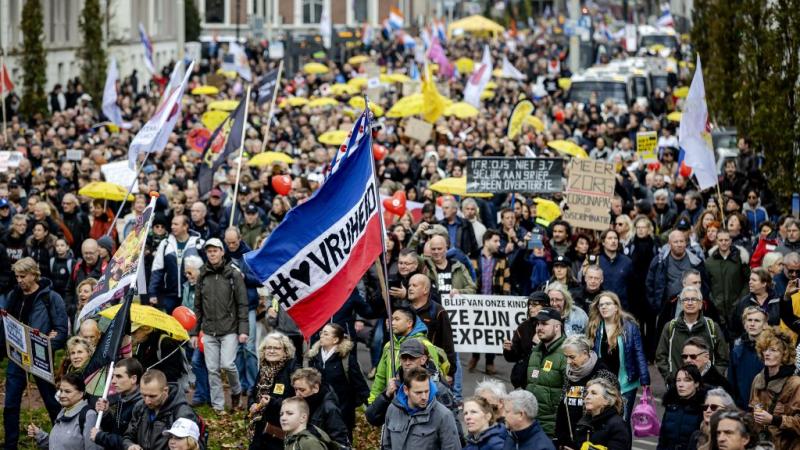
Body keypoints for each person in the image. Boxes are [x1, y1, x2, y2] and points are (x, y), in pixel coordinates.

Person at [2, 257, 69, 449]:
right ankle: (10, 444)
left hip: (41, 357)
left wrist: (49, 342)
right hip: (16, 356)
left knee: (52, 402)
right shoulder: (14, 295)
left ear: (34, 274)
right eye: (17, 276)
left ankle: (61, 441)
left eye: (23, 276)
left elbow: (61, 330)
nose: (19, 280)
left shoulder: (51, 297)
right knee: (11, 404)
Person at [191, 237, 248, 413]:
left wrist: (243, 330)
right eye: (209, 251)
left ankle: (236, 392)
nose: (212, 253)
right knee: (212, 369)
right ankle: (218, 406)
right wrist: (194, 333)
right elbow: (198, 306)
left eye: (215, 250)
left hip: (230, 329)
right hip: (208, 331)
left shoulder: (233, 274)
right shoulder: (202, 275)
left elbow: (242, 303)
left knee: (228, 365)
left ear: (222, 252)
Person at [364, 338, 459, 430]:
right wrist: (386, 396)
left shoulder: (438, 388)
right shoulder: (395, 385)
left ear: (423, 359)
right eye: (404, 358)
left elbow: (452, 427)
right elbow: (372, 418)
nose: (407, 363)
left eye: (412, 358)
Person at [586, 291, 651, 421]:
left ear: (616, 307)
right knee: (601, 420)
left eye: (608, 304)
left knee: (623, 421)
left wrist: (645, 379)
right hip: (602, 383)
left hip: (625, 384)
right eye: (601, 305)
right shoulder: (595, 327)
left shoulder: (629, 327)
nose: (604, 307)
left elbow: (639, 353)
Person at [368, 307, 445, 403]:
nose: (392, 323)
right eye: (391, 319)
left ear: (409, 323)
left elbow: (435, 377)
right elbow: (380, 378)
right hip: (393, 404)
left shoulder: (425, 345)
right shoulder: (389, 346)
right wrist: (372, 402)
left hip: (418, 405)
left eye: (397, 319)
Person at [555, 335, 619, 449]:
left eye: (572, 357)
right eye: (566, 357)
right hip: (567, 440)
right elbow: (563, 406)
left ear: (585, 353)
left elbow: (612, 411)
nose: (568, 362)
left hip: (591, 441)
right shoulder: (570, 373)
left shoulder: (603, 374)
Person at [306, 323, 369, 436]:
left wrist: (372, 407)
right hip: (318, 411)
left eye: (326, 334)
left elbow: (360, 385)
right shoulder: (314, 357)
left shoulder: (346, 359)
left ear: (335, 339)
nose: (321, 336)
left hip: (342, 412)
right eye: (321, 333)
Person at [656, 286, 729, 382]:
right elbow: (661, 356)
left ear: (700, 304)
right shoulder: (670, 327)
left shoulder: (712, 327)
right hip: (679, 387)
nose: (690, 303)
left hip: (707, 387)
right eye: (686, 299)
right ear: (681, 304)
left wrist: (714, 378)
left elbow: (723, 358)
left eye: (694, 299)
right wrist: (671, 378)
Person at [380, 366, 461, 450]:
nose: (424, 397)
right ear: (406, 390)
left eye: (426, 391)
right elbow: (386, 445)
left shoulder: (444, 416)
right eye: (418, 392)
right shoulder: (393, 409)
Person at [749, 326, 800, 450]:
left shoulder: (795, 383)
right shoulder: (758, 379)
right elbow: (751, 412)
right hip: (760, 445)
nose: (767, 353)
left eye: (773, 350)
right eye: (765, 349)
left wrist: (774, 419)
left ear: (784, 354)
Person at [122, 369, 198, 450]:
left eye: (152, 396)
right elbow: (127, 436)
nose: (147, 401)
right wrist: (130, 446)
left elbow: (194, 445)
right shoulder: (140, 407)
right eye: (143, 395)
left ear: (165, 391)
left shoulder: (182, 413)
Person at [470, 229, 511, 374]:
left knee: (491, 331)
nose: (498, 244)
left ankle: (489, 361)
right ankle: (474, 355)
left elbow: (507, 281)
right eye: (495, 241)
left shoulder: (502, 258)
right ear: (486, 241)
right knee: (476, 330)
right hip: (476, 301)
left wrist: (504, 300)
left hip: (495, 301)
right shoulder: (473, 256)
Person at [27, 372, 103, 450]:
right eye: (61, 391)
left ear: (81, 394)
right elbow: (58, 445)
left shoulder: (89, 416)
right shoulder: (62, 412)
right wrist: (40, 435)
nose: (61, 395)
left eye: (67, 391)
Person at [248, 332, 298, 450]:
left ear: (285, 351)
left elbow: (297, 400)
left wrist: (272, 401)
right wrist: (252, 404)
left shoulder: (293, 369)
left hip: (280, 427)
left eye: (276, 348)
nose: (271, 351)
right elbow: (254, 391)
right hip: (259, 425)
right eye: (268, 347)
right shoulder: (264, 368)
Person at [525, 307, 567, 437]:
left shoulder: (567, 353)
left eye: (544, 324)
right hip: (532, 423)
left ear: (557, 327)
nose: (539, 328)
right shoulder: (535, 352)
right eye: (538, 324)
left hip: (552, 427)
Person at [647, 230, 709, 319]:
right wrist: (656, 306)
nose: (679, 244)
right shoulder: (659, 261)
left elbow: (705, 285)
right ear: (669, 244)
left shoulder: (696, 261)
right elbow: (649, 284)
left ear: (686, 243)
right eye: (676, 242)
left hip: (693, 307)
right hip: (667, 309)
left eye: (681, 241)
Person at [148, 215, 204, 313]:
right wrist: (152, 293)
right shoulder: (165, 244)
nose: (172, 227)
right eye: (172, 224)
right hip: (170, 296)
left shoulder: (199, 244)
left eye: (176, 224)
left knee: (190, 326)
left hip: (192, 294)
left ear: (185, 226)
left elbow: (207, 268)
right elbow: (157, 270)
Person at [405, 273, 457, 379]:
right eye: (409, 285)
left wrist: (450, 373)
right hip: (405, 365)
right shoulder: (403, 310)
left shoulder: (438, 311)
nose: (410, 288)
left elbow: (447, 343)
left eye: (415, 286)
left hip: (430, 369)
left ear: (425, 290)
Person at [91, 358, 145, 450]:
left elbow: (132, 443)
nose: (113, 381)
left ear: (133, 379)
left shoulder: (141, 405)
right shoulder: (122, 399)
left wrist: (101, 436)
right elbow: (116, 431)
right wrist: (105, 414)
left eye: (119, 376)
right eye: (113, 376)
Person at [289, 368, 349, 446]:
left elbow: (340, 442)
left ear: (316, 388)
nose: (297, 394)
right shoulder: (303, 403)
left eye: (302, 390)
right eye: (296, 389)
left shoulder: (329, 409)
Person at [706, 230, 751, 330]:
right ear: (717, 241)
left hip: (737, 307)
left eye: (726, 240)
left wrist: (741, 299)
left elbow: (748, 280)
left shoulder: (740, 259)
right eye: (721, 240)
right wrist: (713, 301)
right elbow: (706, 284)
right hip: (717, 308)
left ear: (731, 241)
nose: (723, 242)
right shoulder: (709, 262)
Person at [573, 377, 632, 450]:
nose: (587, 397)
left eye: (593, 393)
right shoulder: (584, 422)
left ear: (606, 401)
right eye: (587, 393)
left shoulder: (617, 425)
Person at [658, 364, 706, 450]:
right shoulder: (670, 405)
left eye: (687, 380)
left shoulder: (703, 408)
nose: (681, 385)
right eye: (678, 380)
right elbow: (663, 438)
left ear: (696, 384)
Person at [728, 307, 767, 408]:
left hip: (765, 408)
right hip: (741, 408)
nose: (752, 324)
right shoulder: (736, 350)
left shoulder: (772, 349)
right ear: (745, 324)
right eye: (749, 320)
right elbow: (732, 382)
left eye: (757, 320)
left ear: (765, 325)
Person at [731, 268, 781, 337]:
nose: (750, 282)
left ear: (764, 283)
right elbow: (735, 328)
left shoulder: (778, 301)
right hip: (749, 344)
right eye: (750, 279)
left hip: (772, 343)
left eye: (754, 280)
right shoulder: (744, 302)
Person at [597, 229, 634, 308]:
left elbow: (632, 287)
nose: (613, 241)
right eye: (610, 238)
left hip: (622, 307)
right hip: (602, 306)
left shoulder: (627, 262)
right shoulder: (596, 261)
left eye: (615, 238)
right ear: (603, 242)